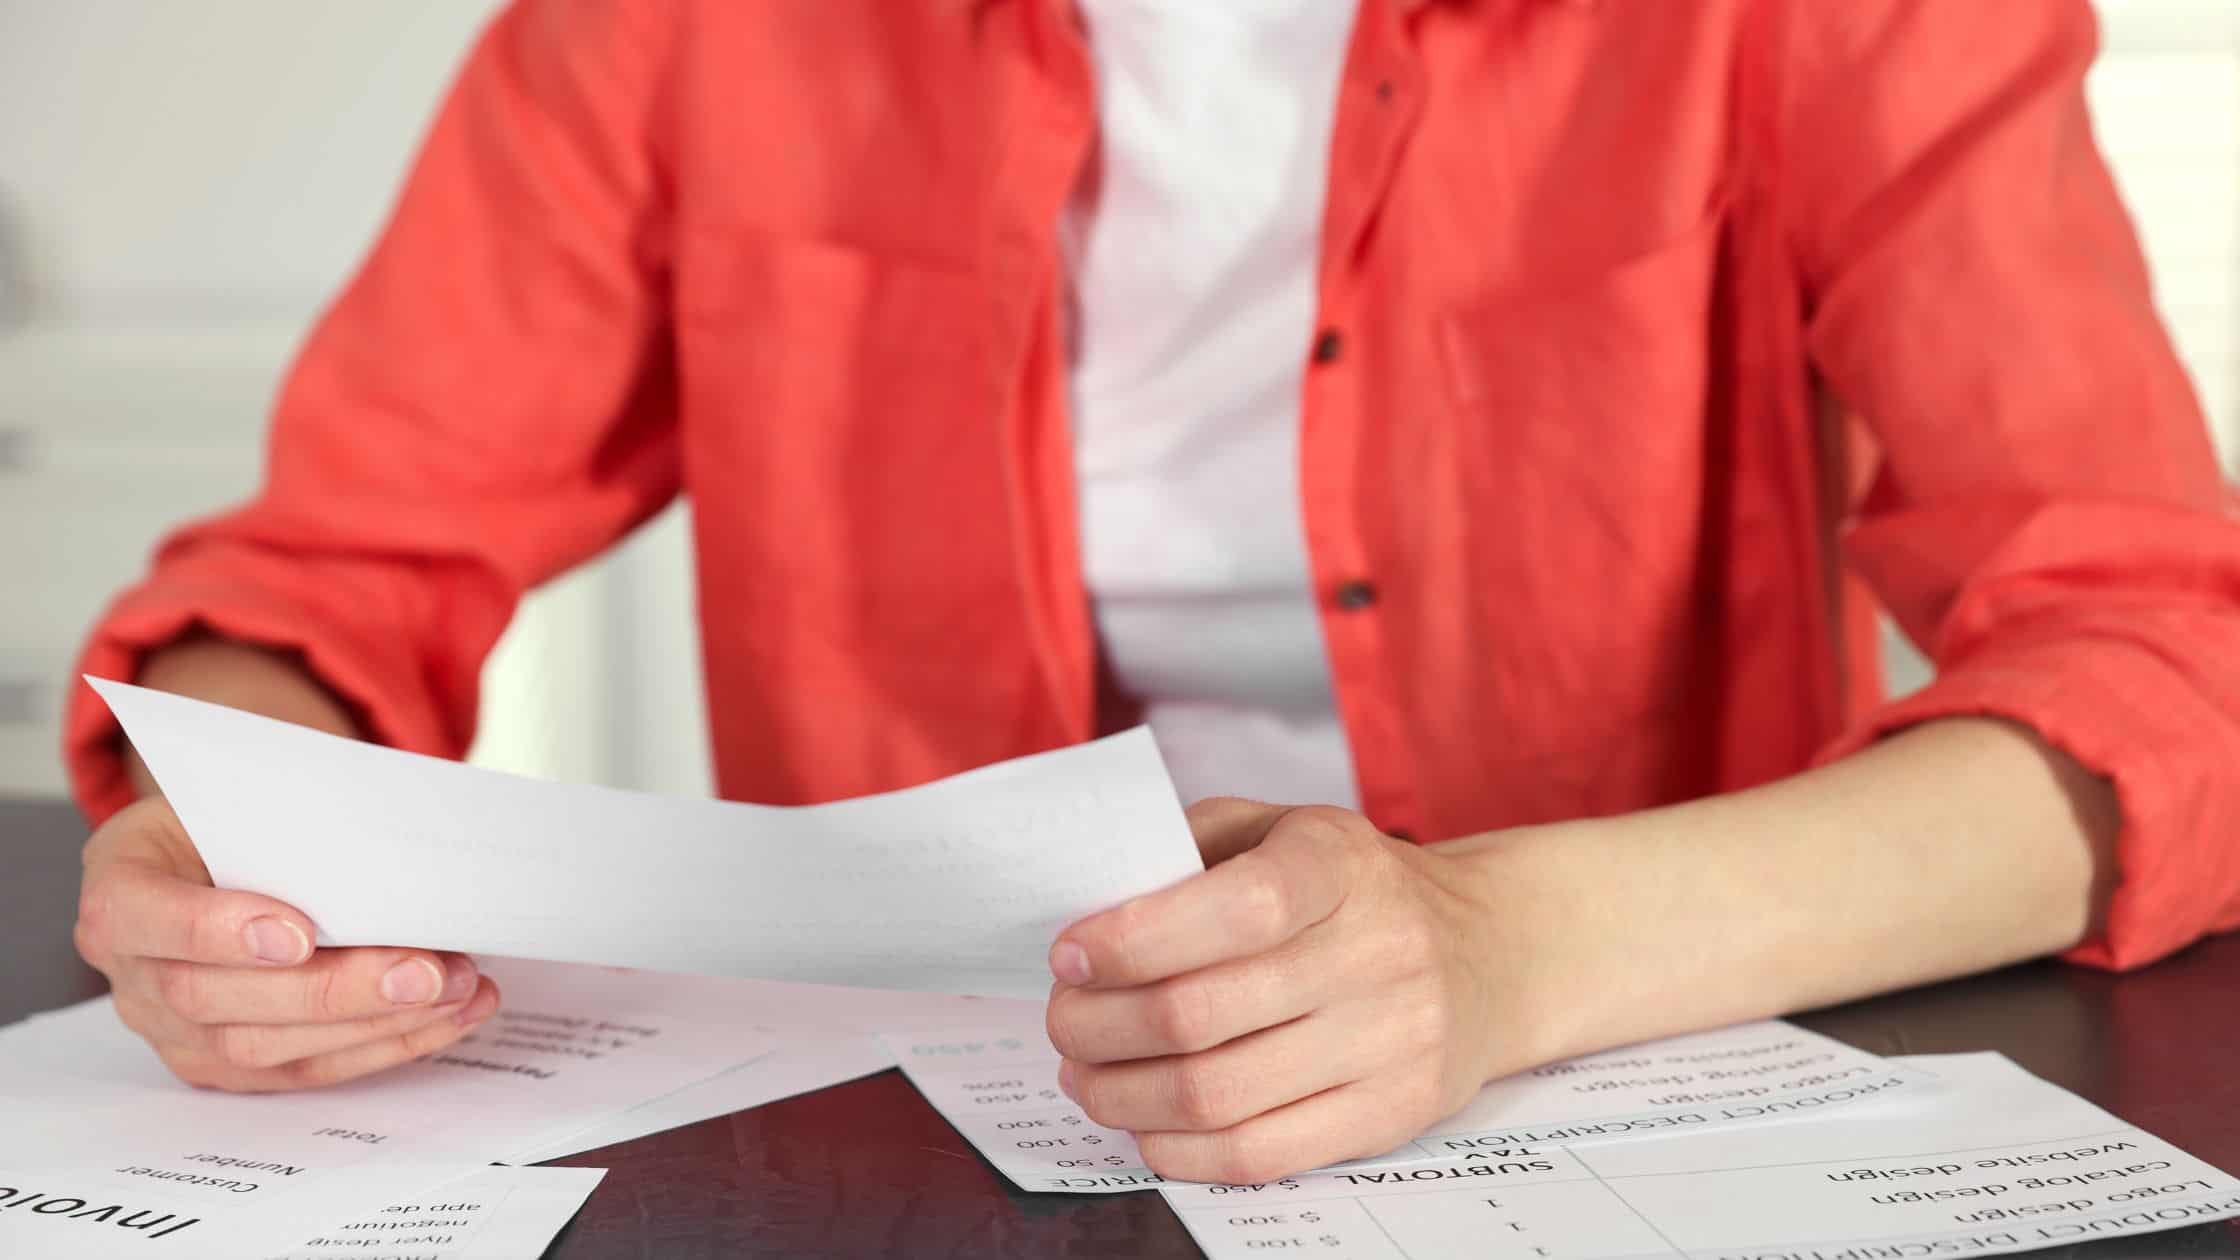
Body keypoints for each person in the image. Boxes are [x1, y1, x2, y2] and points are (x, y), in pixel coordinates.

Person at [62, 0, 2240, 1185]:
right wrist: (243, 844)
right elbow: (321, 577)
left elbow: (2168, 671)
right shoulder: (677, 28)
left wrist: (1490, 948)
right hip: (918, 1139)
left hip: (1611, 1082)